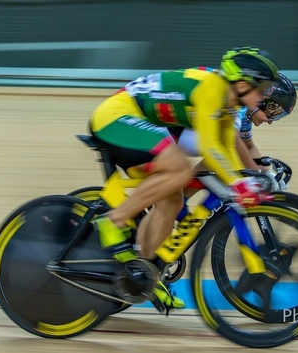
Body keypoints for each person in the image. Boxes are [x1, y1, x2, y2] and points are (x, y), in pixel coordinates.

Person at [87, 46, 281, 311]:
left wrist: (246, 178)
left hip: (136, 123)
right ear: (243, 83)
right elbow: (211, 147)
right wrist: (240, 184)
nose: (265, 95)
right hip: (116, 116)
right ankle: (113, 221)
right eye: (263, 88)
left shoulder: (229, 105)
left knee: (172, 202)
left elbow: (225, 149)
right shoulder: (212, 88)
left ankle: (144, 276)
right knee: (179, 169)